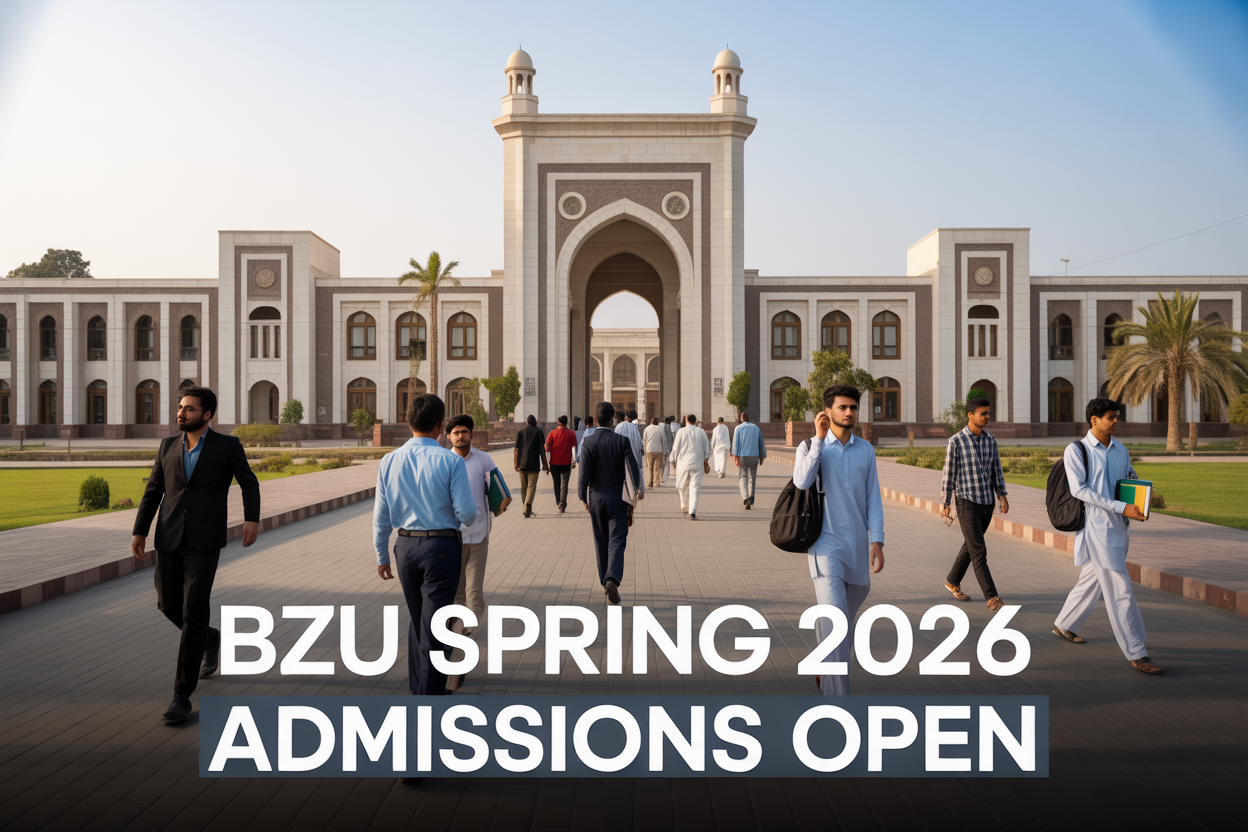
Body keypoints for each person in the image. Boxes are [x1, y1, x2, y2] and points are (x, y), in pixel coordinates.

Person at [131, 386, 260, 725]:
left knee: (193, 609)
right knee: (168, 605)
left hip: (204, 541)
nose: (181, 413)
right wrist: (139, 530)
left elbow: (249, 482)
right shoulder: (167, 446)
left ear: (207, 414)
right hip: (169, 537)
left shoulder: (227, 446)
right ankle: (210, 638)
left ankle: (181, 696)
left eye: (189, 408)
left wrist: (251, 519)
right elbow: (153, 491)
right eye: (180, 407)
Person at [374, 393, 477, 699]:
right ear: (441, 425)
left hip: (404, 547)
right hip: (441, 548)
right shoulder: (450, 460)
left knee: (420, 621)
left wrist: (382, 555)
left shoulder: (389, 460)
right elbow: (468, 514)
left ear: (408, 422)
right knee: (435, 626)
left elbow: (381, 516)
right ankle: (429, 697)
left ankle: (419, 688)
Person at [1052, 398, 1161, 675]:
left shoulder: (1120, 450)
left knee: (1092, 578)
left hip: (1120, 527)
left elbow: (1128, 480)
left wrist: (1141, 502)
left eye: (1117, 417)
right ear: (1094, 420)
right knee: (1120, 588)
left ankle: (1064, 623)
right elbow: (1080, 490)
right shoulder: (1077, 451)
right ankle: (1137, 652)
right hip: (1096, 528)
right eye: (1111, 417)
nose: (1116, 422)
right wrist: (1119, 506)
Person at [792, 385, 885, 695]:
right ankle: (839, 706)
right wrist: (819, 441)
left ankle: (822, 662)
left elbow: (874, 497)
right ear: (827, 412)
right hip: (824, 547)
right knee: (838, 625)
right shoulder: (809, 446)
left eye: (853, 408)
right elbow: (802, 481)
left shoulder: (866, 450)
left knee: (839, 619)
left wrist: (878, 541)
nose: (849, 413)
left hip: (857, 547)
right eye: (842, 407)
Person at [939, 397, 1010, 611]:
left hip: (986, 503)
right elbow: (948, 473)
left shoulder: (990, 440)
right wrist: (946, 502)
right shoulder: (956, 441)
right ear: (970, 415)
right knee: (979, 549)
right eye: (983, 414)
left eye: (988, 413)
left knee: (971, 546)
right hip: (966, 502)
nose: (987, 417)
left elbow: (996, 469)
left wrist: (1002, 494)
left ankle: (952, 581)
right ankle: (992, 596)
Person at [578, 401, 641, 605]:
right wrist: (634, 495)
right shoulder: (622, 441)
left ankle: (605, 579)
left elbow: (583, 473)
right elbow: (633, 471)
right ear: (613, 419)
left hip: (596, 498)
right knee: (617, 540)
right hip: (618, 499)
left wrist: (582, 496)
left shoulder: (589, 442)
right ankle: (612, 578)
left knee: (601, 540)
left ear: (596, 420)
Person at [446, 414, 498, 635]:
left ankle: (468, 630)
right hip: (452, 537)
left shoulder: (484, 459)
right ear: (449, 436)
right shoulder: (444, 461)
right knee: (457, 593)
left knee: (474, 592)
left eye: (464, 432)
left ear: (471, 434)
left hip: (478, 535)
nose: (460, 436)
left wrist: (500, 502)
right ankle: (458, 634)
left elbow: (497, 488)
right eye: (456, 433)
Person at [671, 414, 711, 520]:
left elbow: (675, 448)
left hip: (683, 464)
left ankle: (684, 504)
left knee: (682, 485)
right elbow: (707, 447)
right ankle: (692, 511)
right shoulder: (701, 432)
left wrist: (673, 460)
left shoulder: (681, 431)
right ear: (695, 421)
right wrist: (706, 458)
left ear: (686, 420)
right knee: (695, 487)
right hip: (698, 464)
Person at [731, 411, 767, 510]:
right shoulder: (756, 428)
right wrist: (762, 456)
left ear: (741, 419)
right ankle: (751, 497)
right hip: (754, 456)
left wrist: (735, 456)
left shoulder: (738, 428)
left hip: (743, 456)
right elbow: (761, 442)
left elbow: (735, 443)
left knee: (743, 476)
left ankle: (745, 497)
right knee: (752, 477)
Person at [513, 414, 548, 517]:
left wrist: (515, 464)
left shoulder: (520, 432)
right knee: (531, 487)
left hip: (521, 465)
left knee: (523, 488)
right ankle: (527, 505)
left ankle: (526, 508)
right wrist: (545, 465)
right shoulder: (539, 431)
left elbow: (516, 450)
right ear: (535, 422)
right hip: (533, 465)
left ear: (527, 422)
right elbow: (542, 450)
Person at [545, 415, 579, 513]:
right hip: (566, 463)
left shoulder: (552, 433)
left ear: (558, 422)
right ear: (566, 422)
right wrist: (574, 461)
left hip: (554, 463)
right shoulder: (571, 434)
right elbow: (574, 448)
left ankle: (558, 502)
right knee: (565, 484)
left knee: (556, 483)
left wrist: (547, 464)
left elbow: (547, 449)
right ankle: (562, 504)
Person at [614, 408, 645, 495]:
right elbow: (640, 445)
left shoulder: (618, 428)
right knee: (632, 489)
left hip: (621, 462)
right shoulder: (634, 428)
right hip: (634, 461)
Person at [642, 416, 667, 487]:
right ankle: (656, 482)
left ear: (651, 422)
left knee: (650, 467)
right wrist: (664, 450)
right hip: (659, 450)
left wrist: (645, 450)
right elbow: (663, 440)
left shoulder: (647, 428)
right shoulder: (660, 429)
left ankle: (650, 481)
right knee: (657, 467)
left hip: (649, 450)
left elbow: (644, 440)